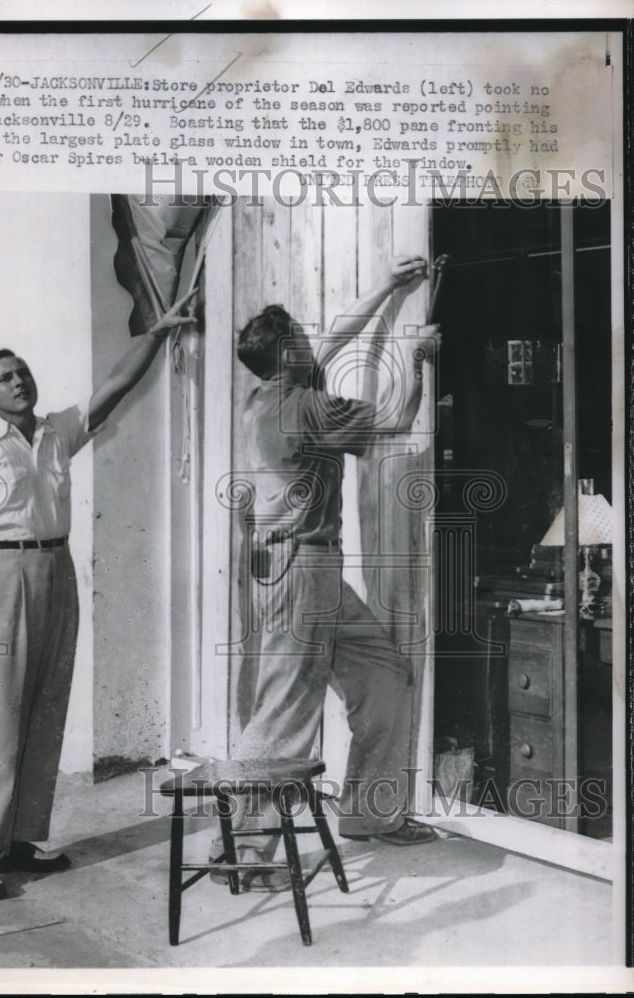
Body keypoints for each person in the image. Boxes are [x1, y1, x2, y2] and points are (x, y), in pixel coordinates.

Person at [0, 292, 196, 900]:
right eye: (5, 378)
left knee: (47, 710)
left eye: (22, 371)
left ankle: (22, 841)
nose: (18, 381)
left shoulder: (56, 431)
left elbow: (114, 386)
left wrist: (157, 333)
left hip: (57, 571)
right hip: (0, 577)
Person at [211, 257, 439, 890]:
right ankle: (250, 852)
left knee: (385, 676)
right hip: (300, 572)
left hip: (310, 571)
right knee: (285, 710)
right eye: (303, 343)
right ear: (288, 355)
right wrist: (419, 362)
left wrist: (388, 288)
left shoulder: (263, 395)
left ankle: (369, 815)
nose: (316, 346)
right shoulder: (308, 408)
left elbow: (336, 336)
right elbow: (394, 419)